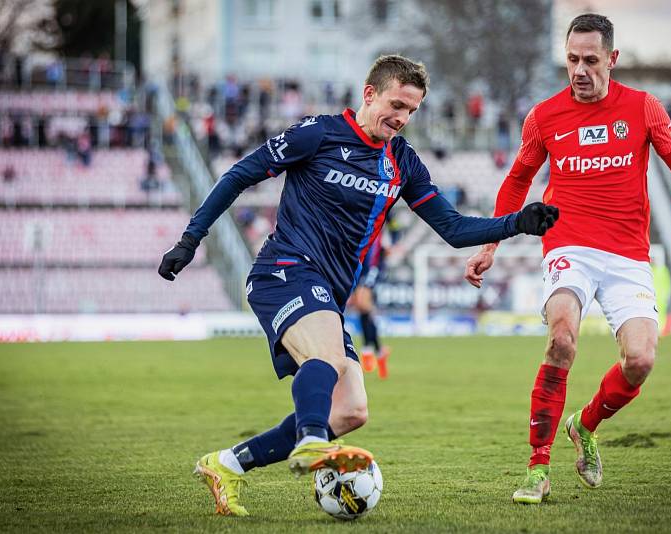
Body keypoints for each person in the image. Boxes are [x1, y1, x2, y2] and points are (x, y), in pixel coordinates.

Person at [159, 54, 559, 517]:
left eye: (412, 110)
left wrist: (517, 222)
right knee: (326, 358)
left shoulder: (402, 162)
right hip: (283, 271)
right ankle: (310, 442)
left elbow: (451, 228)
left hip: (328, 292)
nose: (403, 118)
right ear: (369, 94)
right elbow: (238, 175)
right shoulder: (318, 133)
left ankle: (225, 464)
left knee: (350, 411)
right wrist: (191, 240)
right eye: (396, 105)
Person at [464, 14, 671, 505]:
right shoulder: (543, 116)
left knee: (641, 360)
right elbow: (517, 181)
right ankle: (537, 468)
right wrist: (490, 243)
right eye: (571, 60)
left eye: (590, 60)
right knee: (562, 340)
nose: (580, 70)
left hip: (628, 253)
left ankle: (584, 425)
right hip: (569, 244)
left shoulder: (644, 108)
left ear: (612, 59)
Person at [352, 231, 390, 378]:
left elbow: (393, 230)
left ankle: (368, 350)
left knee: (363, 303)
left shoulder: (382, 216)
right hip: (359, 266)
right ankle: (379, 351)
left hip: (373, 267)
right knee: (361, 308)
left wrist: (390, 243)